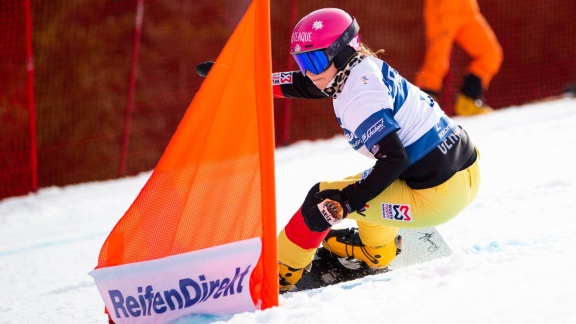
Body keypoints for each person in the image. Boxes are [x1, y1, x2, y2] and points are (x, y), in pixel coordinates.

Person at [195, 8, 481, 293]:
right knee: (367, 181)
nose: (308, 70)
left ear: (341, 53)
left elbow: (394, 159)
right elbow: (305, 84)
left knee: (322, 202)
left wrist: (343, 204)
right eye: (301, 60)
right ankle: (377, 250)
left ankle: (277, 275)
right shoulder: (358, 67)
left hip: (436, 196)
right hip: (462, 171)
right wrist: (240, 78)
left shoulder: (360, 94)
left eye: (314, 60)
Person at [414, 0, 503, 116]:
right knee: (436, 62)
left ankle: (468, 99)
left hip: (467, 10)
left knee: (490, 53)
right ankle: (422, 110)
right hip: (442, 10)